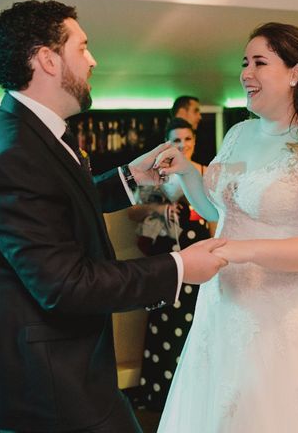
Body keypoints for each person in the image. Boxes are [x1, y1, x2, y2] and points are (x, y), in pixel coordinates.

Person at [0, 0, 227, 433]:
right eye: (83, 47)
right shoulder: (14, 154)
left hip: (49, 364)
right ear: (48, 60)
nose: (93, 60)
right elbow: (65, 284)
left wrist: (128, 178)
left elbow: (51, 205)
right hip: (44, 380)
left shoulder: (16, 130)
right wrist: (181, 266)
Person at [153, 22, 298, 432]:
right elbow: (217, 208)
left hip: (279, 316)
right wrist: (190, 172)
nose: (246, 73)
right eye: (245, 63)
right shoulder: (238, 132)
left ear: (295, 73)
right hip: (222, 308)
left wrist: (240, 251)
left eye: (259, 63)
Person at [126, 118, 211, 410]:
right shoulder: (157, 175)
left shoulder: (205, 172)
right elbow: (133, 213)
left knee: (195, 323)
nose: (182, 145)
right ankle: (160, 395)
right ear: (166, 144)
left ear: (194, 141)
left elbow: (216, 217)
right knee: (163, 322)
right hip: (165, 258)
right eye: (176, 141)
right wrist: (160, 209)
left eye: (187, 139)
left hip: (198, 255)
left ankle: (194, 395)